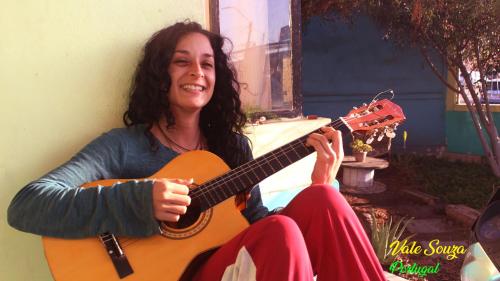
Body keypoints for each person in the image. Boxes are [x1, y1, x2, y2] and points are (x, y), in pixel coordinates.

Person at [7, 21, 386, 280]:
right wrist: (140, 201)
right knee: (282, 231)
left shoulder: (231, 147)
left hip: (230, 266)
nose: (197, 73)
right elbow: (27, 204)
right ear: (160, 74)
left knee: (323, 200)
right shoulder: (125, 146)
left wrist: (318, 184)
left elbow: (257, 225)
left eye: (207, 64)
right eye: (181, 62)